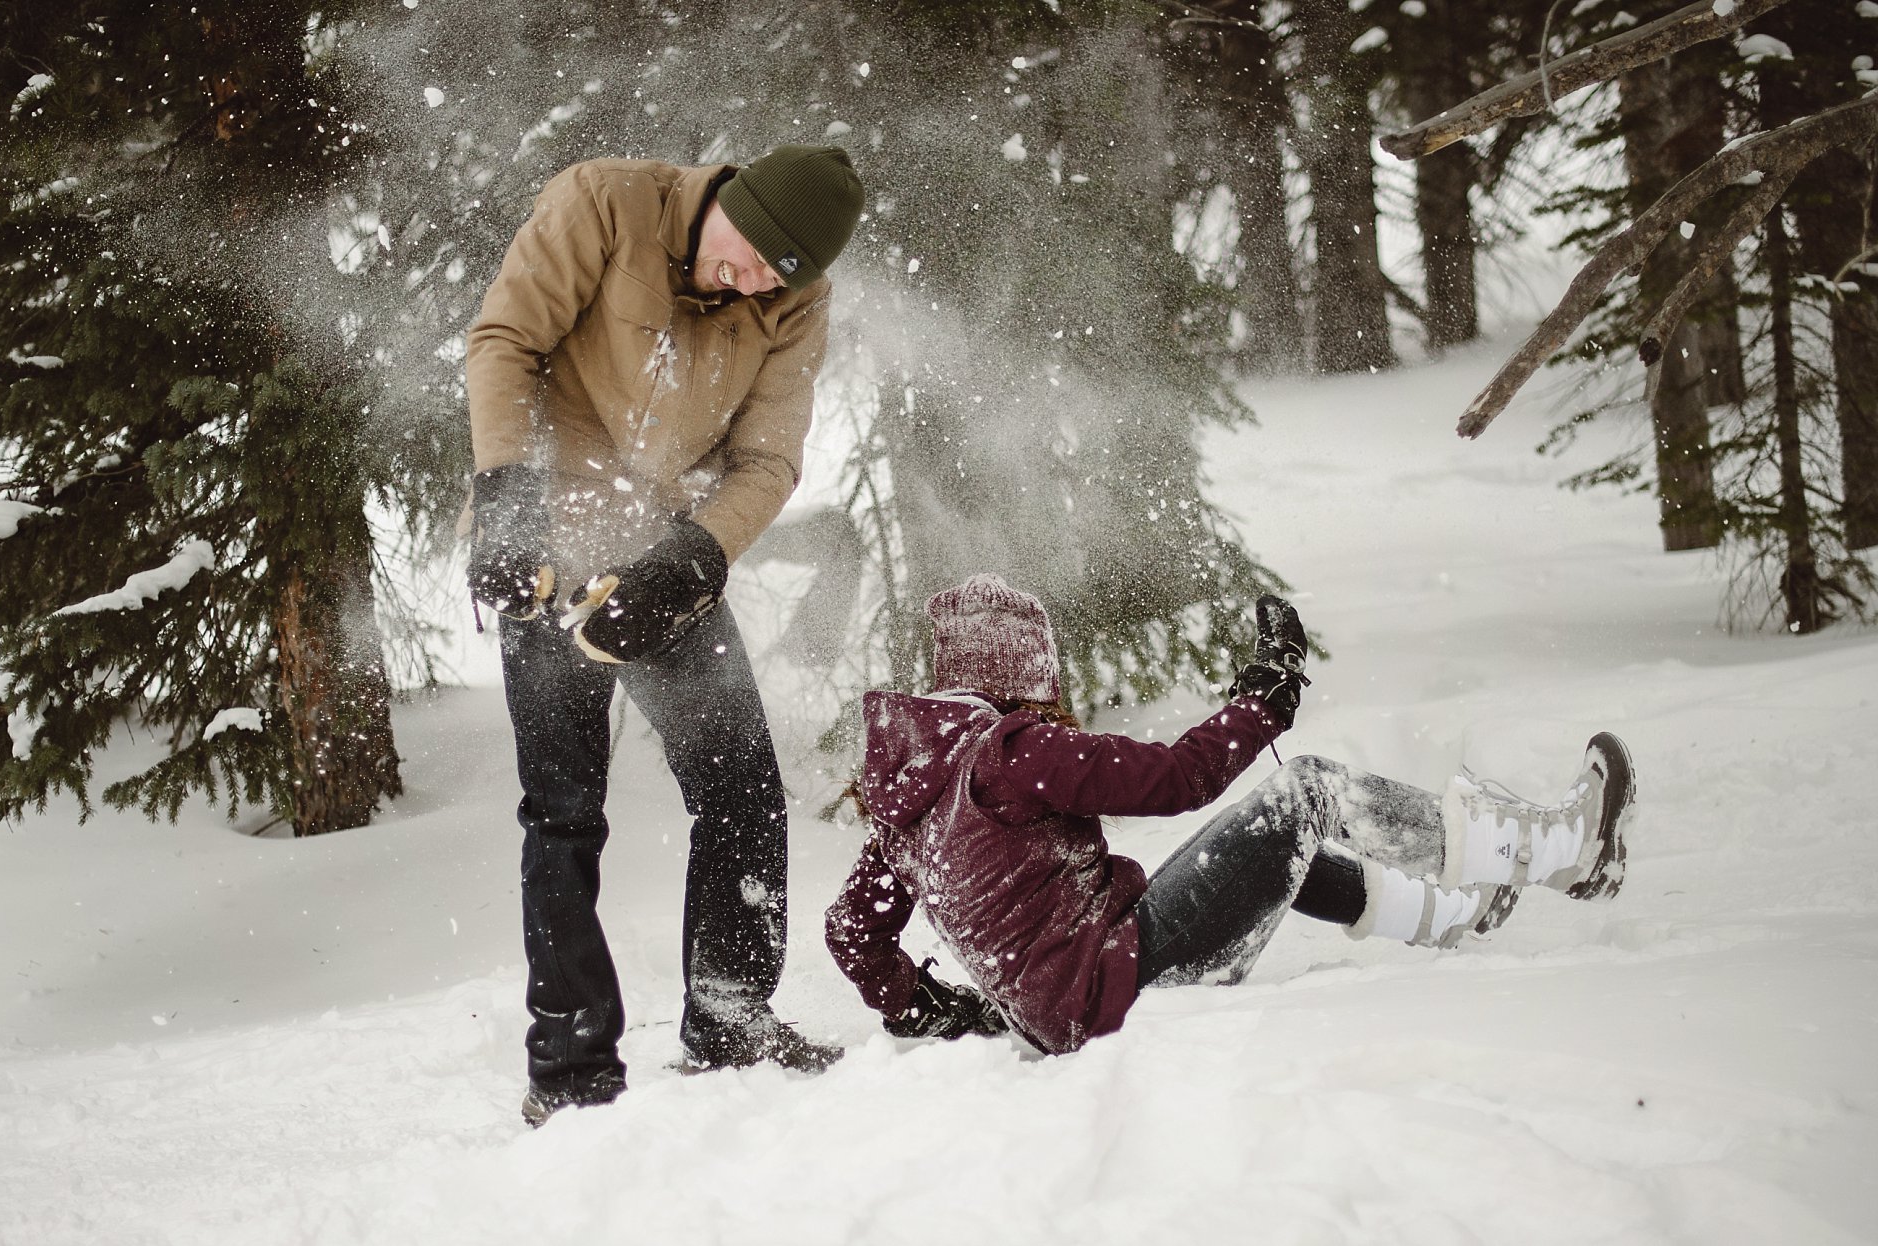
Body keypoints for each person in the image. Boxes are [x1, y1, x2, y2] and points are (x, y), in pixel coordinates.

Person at [465, 144, 864, 1125]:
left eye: (781, 272)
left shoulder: (791, 307)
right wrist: (508, 505)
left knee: (741, 790)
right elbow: (505, 339)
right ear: (726, 198)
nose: (755, 282)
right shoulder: (606, 204)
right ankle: (568, 1071)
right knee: (563, 811)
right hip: (548, 538)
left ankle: (730, 1017)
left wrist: (687, 561)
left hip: (662, 555)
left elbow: (766, 464)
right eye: (750, 254)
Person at [827, 574, 1634, 1054]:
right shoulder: (1011, 753)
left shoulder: (911, 802)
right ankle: (1562, 849)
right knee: (1306, 792)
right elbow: (1179, 777)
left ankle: (1455, 912)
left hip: (1080, 998)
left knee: (1272, 856)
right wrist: (1265, 699)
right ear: (1024, 671)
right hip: (1120, 984)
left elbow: (850, 931)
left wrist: (933, 1011)